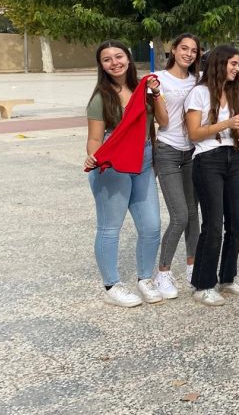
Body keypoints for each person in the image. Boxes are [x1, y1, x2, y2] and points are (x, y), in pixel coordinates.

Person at [84, 40, 167, 307]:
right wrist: (94, 156)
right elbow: (95, 139)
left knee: (151, 226)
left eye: (118, 56)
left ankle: (145, 278)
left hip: (143, 160)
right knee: (110, 227)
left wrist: (156, 93)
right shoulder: (100, 98)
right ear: (101, 65)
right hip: (114, 162)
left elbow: (163, 121)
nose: (114, 63)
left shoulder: (144, 90)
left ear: (128, 59)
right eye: (107, 59)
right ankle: (111, 285)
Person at [184, 44, 239, 306]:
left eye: (238, 64)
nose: (237, 68)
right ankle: (203, 284)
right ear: (220, 63)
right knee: (213, 225)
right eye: (233, 63)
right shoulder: (199, 93)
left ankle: (227, 278)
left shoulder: (236, 93)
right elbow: (194, 133)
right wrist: (227, 123)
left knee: (237, 222)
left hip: (233, 157)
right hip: (207, 159)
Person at [151, 34, 201, 299]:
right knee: (179, 215)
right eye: (184, 48)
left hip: (192, 151)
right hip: (167, 150)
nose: (188, 54)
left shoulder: (198, 80)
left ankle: (193, 267)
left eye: (193, 50)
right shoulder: (158, 79)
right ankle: (163, 272)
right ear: (173, 49)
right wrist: (156, 93)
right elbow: (161, 121)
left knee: (193, 214)